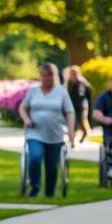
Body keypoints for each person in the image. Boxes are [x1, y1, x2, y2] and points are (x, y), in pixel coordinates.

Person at [19, 62, 76, 198]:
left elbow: (70, 112)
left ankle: (50, 192)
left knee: (51, 166)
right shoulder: (33, 91)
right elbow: (23, 107)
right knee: (35, 157)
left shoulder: (61, 92)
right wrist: (26, 119)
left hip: (55, 134)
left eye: (49, 75)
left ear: (55, 76)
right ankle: (35, 187)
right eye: (44, 75)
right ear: (40, 76)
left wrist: (71, 131)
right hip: (35, 132)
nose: (47, 78)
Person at [66, 65, 93, 145]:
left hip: (81, 105)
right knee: (73, 122)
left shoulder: (81, 82)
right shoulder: (70, 82)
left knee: (82, 120)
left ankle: (85, 133)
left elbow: (83, 94)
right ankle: (73, 140)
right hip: (72, 105)